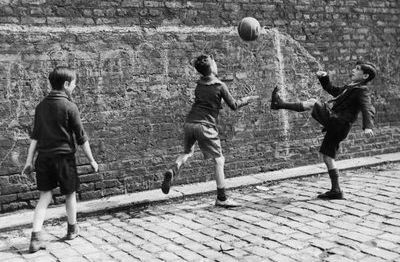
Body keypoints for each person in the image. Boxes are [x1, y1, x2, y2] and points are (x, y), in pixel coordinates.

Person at [161, 54, 258, 207]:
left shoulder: (199, 84)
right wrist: (248, 99)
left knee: (187, 153)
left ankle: (173, 169)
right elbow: (233, 105)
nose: (216, 64)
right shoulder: (219, 85)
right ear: (212, 67)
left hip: (190, 123)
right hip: (205, 126)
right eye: (215, 62)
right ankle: (222, 198)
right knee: (219, 160)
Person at [271, 61, 377, 199]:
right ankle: (336, 190)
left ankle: (279, 104)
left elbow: (367, 108)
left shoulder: (362, 90)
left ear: (365, 76)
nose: (353, 70)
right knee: (327, 157)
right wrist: (324, 77)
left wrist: (368, 127)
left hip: (338, 122)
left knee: (313, 102)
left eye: (357, 69)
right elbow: (331, 89)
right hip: (338, 127)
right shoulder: (351, 87)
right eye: (354, 68)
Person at [22, 66, 99, 253]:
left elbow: (35, 137)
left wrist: (28, 161)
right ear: (66, 84)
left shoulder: (41, 107)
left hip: (44, 159)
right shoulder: (70, 107)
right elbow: (81, 138)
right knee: (70, 193)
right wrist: (91, 160)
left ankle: (35, 237)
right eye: (74, 85)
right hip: (64, 159)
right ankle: (72, 229)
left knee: (45, 196)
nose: (74, 88)